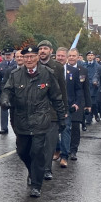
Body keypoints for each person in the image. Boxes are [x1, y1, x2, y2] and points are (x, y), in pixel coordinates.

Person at [0, 46, 65, 198]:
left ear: (37, 58)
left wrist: (62, 118)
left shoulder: (47, 74)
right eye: (26, 57)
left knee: (37, 152)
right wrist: (4, 100)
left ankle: (36, 184)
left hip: (41, 120)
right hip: (21, 120)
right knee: (22, 151)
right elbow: (7, 91)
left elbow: (56, 97)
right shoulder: (16, 75)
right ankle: (32, 170)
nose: (29, 60)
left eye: (32, 57)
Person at [37, 40, 67, 180]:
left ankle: (47, 168)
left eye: (45, 48)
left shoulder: (57, 67)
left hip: (52, 111)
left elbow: (62, 90)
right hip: (35, 111)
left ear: (51, 51)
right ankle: (37, 168)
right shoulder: (33, 65)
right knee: (38, 143)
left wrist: (63, 110)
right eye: (40, 49)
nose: (42, 51)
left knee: (50, 142)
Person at [66, 48, 91, 161]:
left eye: (73, 56)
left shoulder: (83, 70)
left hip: (78, 103)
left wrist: (88, 105)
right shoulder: (62, 69)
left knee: (75, 127)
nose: (71, 57)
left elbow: (86, 89)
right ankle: (63, 149)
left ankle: (73, 150)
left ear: (77, 57)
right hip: (65, 103)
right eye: (70, 55)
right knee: (64, 128)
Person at [0, 49, 16, 135]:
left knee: (14, 112)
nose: (7, 56)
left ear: (13, 55)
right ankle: (4, 128)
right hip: (4, 90)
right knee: (3, 109)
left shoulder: (16, 64)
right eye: (6, 54)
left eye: (9, 54)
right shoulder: (1, 65)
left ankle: (16, 128)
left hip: (15, 91)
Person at [83, 51, 101, 125]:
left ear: (94, 57)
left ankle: (96, 113)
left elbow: (99, 76)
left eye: (91, 55)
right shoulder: (83, 65)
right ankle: (88, 118)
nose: (90, 57)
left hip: (94, 87)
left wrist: (97, 83)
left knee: (94, 103)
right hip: (86, 86)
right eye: (89, 55)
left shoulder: (97, 66)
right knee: (87, 103)